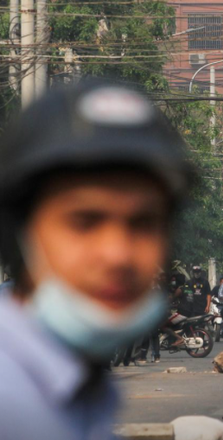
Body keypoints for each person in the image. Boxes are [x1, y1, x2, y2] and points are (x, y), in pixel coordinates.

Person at [0, 83, 192, 439]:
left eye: (143, 223)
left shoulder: (84, 391)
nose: (118, 254)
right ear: (20, 233)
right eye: (84, 222)